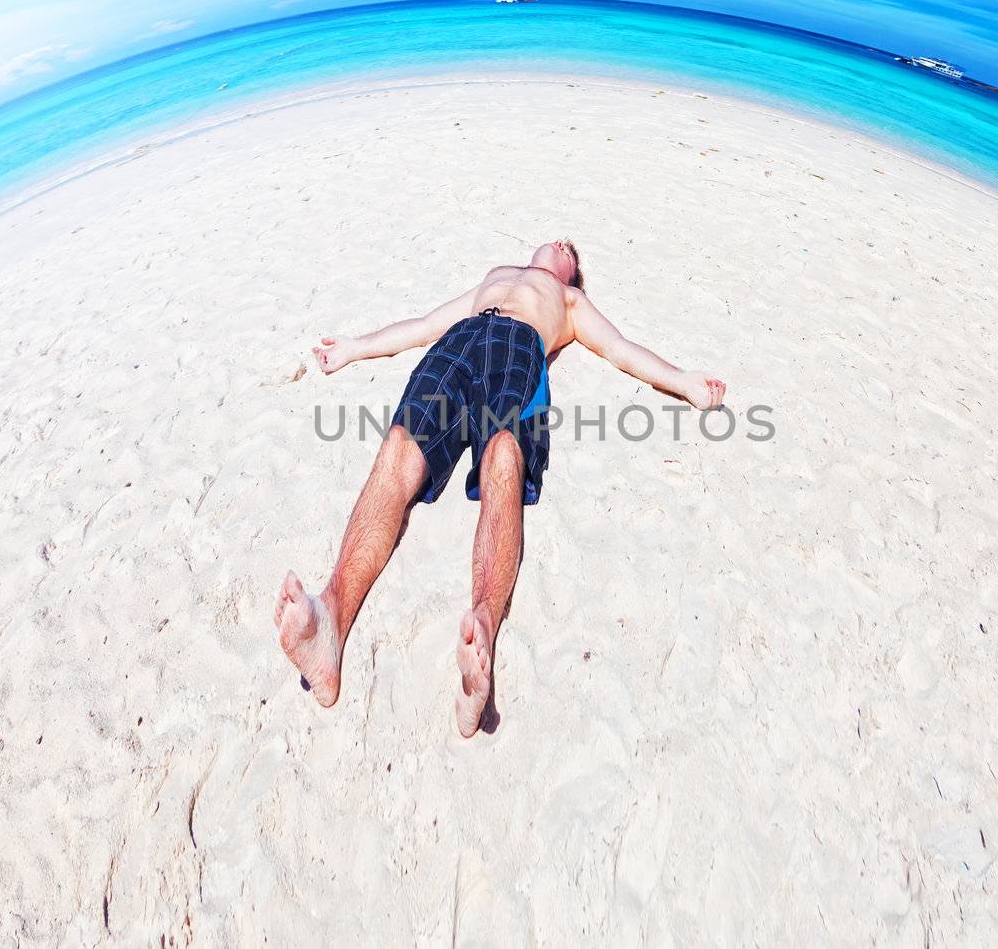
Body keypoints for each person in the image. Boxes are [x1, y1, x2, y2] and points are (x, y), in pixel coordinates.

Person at [276, 240, 727, 736]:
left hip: (519, 348)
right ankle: (330, 624)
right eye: (559, 242)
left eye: (569, 251)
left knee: (504, 458)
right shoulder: (494, 275)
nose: (560, 244)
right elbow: (426, 325)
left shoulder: (569, 302)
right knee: (398, 450)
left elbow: (620, 349)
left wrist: (683, 381)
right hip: (459, 345)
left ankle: (483, 635)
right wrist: (354, 349)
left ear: (572, 275)